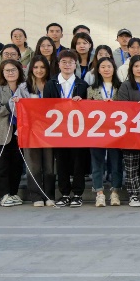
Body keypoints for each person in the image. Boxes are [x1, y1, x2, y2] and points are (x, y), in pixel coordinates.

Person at [46, 50, 89, 207]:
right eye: (64, 62)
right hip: (58, 130)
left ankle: (77, 194)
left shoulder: (82, 85)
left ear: (75, 65)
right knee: (61, 161)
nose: (67, 65)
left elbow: (89, 109)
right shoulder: (51, 84)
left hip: (78, 130)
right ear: (59, 64)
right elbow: (45, 107)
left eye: (71, 62)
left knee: (78, 161)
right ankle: (64, 194)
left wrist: (81, 102)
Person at [114, 56, 140, 206]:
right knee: (132, 163)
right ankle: (133, 194)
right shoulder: (125, 86)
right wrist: (138, 106)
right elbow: (122, 107)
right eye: (136, 66)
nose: (139, 69)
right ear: (131, 68)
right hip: (130, 131)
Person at [0, 59, 27, 206]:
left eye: (13, 70)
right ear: (2, 73)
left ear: (19, 71)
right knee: (2, 165)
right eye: (7, 70)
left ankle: (13, 193)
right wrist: (12, 103)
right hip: (1, 131)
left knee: (17, 165)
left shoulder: (25, 88)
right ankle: (4, 195)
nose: (10, 73)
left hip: (20, 131)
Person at [20, 56, 57, 206]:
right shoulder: (24, 87)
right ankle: (36, 196)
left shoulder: (53, 84)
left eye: (42, 67)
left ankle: (49, 196)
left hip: (50, 131)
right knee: (33, 165)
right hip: (31, 132)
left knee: (49, 166)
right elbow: (14, 107)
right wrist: (15, 102)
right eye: (36, 67)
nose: (39, 70)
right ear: (31, 69)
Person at [87, 56, 123, 207]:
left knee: (116, 162)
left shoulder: (121, 87)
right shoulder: (91, 89)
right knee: (97, 162)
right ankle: (99, 193)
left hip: (116, 131)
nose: (106, 69)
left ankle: (115, 192)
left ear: (114, 69)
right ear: (98, 70)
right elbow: (86, 110)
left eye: (109, 66)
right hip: (97, 131)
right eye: (103, 67)